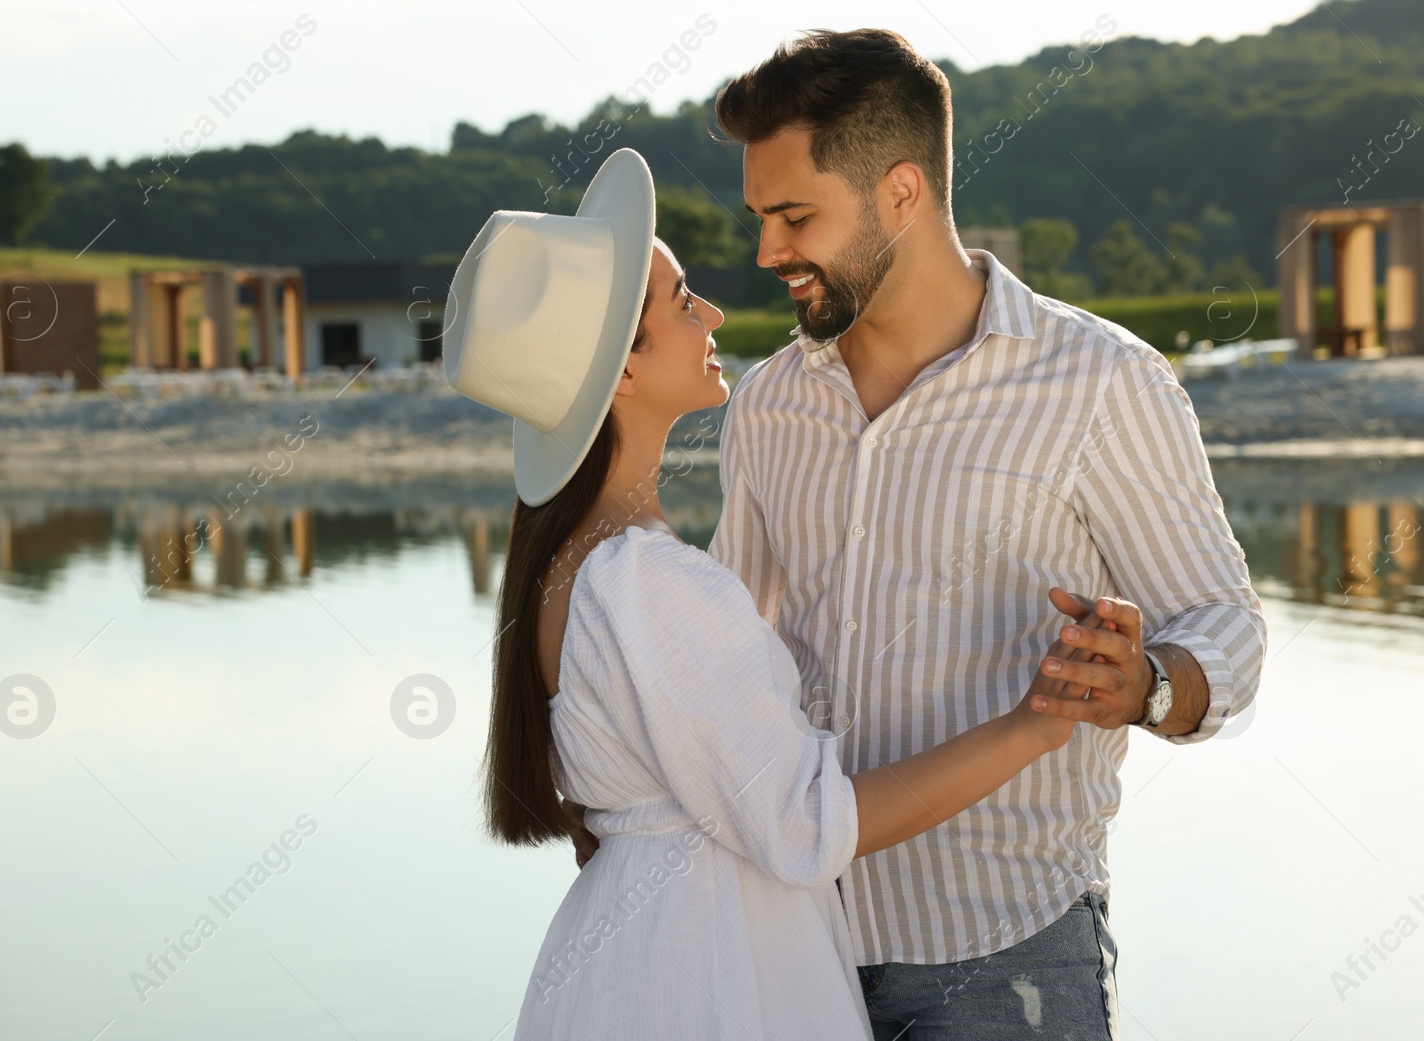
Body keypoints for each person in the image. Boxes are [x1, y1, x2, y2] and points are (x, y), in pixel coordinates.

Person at [444, 147, 1105, 1040]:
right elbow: (807, 824)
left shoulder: (567, 567)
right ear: (622, 371)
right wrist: (1034, 723)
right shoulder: (647, 579)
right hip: (712, 971)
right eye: (682, 302)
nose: (711, 312)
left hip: (629, 963)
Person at [706, 29, 1268, 1038]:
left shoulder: (1099, 381)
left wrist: (1145, 683)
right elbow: (730, 652)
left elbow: (1225, 619)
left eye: (794, 216)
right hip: (794, 943)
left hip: (1009, 956)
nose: (767, 252)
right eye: (760, 217)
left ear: (901, 192)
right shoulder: (767, 404)